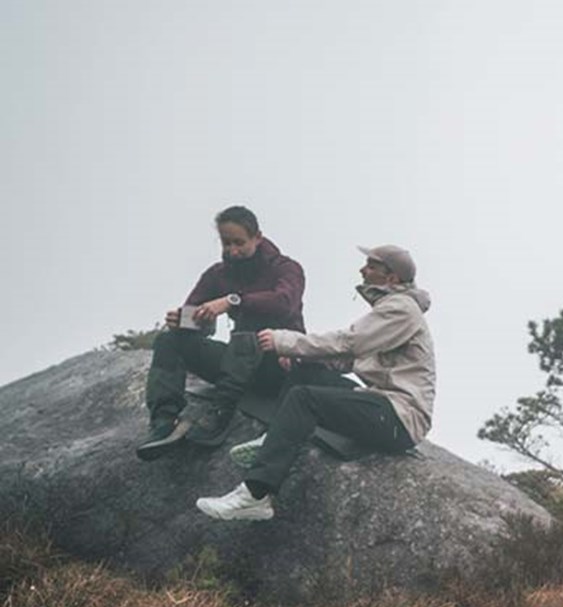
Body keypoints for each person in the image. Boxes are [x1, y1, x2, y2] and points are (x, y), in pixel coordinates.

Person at [196, 245, 435, 522]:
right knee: (307, 372)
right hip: (382, 405)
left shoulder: (401, 308)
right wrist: (299, 358)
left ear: (391, 278)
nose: (362, 270)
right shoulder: (391, 308)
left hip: (399, 417)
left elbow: (350, 342)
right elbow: (347, 357)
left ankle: (254, 495)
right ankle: (274, 437)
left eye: (371, 265)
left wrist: (286, 341)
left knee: (304, 398)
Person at [138, 205, 310, 458]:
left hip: (277, 365)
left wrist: (233, 301)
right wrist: (185, 320)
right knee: (170, 340)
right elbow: (199, 321)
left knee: (249, 338)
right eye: (226, 243)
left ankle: (220, 411)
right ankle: (164, 421)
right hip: (237, 365)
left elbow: (284, 302)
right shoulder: (217, 275)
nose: (232, 250)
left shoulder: (286, 268)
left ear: (257, 237)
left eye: (239, 243)